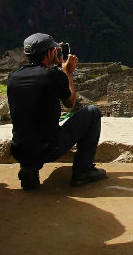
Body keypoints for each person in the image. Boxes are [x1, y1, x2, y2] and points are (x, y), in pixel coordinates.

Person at [7, 33, 107, 190]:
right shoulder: (52, 76)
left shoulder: (13, 77)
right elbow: (70, 104)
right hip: (49, 148)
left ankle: (29, 169)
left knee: (32, 128)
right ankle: (83, 171)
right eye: (54, 50)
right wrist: (68, 72)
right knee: (92, 112)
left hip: (19, 149)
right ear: (50, 53)